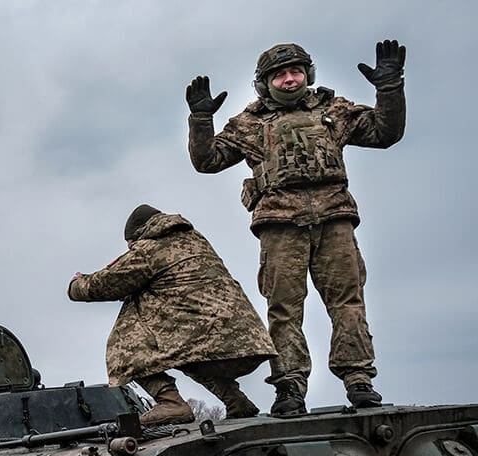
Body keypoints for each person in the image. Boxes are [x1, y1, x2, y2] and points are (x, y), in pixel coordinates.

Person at [186, 40, 406, 415]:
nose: (290, 79)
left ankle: (358, 380)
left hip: (334, 219)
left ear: (308, 74)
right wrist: (201, 120)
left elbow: (385, 133)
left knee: (347, 302)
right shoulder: (248, 123)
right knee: (284, 309)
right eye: (280, 75)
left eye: (296, 72)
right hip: (279, 225)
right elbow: (207, 160)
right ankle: (290, 387)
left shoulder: (334, 110)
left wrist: (389, 88)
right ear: (265, 82)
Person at [68, 205, 276, 425]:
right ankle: (236, 401)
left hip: (209, 340)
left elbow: (104, 284)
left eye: (130, 243)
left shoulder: (149, 249)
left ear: (138, 234)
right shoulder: (197, 241)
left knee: (126, 345)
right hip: (248, 344)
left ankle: (171, 403)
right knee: (184, 351)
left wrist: (76, 284)